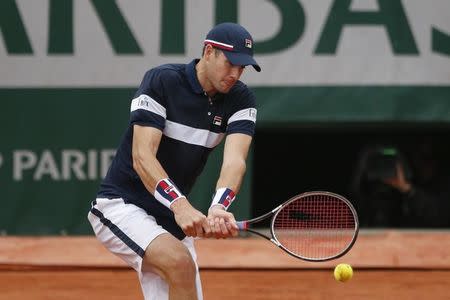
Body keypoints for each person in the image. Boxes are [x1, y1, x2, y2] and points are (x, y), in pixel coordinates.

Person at [87, 22, 261, 300]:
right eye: (230, 63)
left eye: (242, 68)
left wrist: (218, 207)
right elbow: (142, 156)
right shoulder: (162, 80)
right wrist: (180, 206)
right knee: (180, 264)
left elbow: (235, 162)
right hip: (121, 205)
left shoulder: (241, 99)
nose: (235, 74)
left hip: (169, 221)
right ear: (208, 52)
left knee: (182, 273)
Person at [349, 141, 450, 228]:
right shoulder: (367, 188)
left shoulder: (438, 188)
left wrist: (406, 188)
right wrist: (362, 168)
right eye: (420, 157)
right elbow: (352, 208)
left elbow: (439, 216)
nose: (423, 164)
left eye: (428, 158)